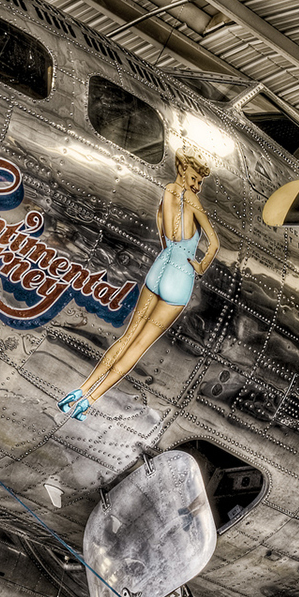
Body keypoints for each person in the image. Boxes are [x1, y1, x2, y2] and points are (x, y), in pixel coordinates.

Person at [60, 152, 217, 419]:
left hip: (160, 267)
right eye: (194, 178)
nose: (196, 186)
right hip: (179, 276)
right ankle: (89, 401)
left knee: (127, 337)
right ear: (184, 171)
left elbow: (164, 235)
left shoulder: (166, 194)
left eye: (199, 183)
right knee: (139, 346)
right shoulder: (190, 199)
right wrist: (200, 267)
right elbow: (214, 243)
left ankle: (80, 390)